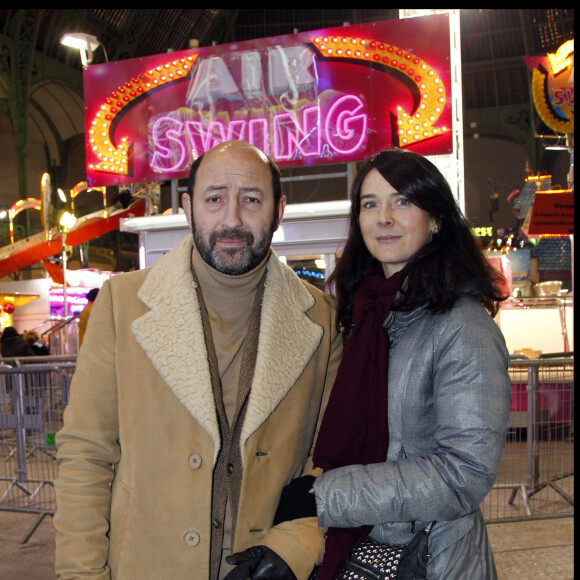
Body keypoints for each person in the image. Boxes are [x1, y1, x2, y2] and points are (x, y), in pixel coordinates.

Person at [54, 140, 342, 580]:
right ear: (188, 208)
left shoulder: (321, 320)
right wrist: (81, 573)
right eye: (214, 199)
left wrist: (294, 547)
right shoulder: (122, 305)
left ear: (279, 210)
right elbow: (86, 455)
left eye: (251, 199)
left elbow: (332, 460)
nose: (232, 218)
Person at [293, 148, 511, 579]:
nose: (383, 217)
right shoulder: (366, 315)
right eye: (370, 204)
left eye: (403, 201)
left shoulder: (462, 326)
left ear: (436, 219)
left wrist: (325, 495)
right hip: (359, 546)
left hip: (429, 558)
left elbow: (463, 474)